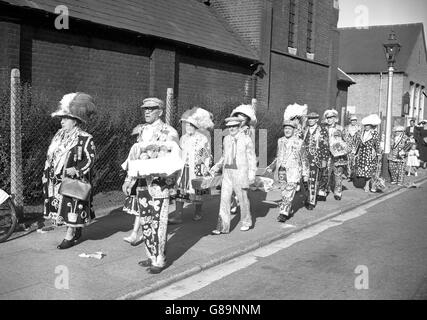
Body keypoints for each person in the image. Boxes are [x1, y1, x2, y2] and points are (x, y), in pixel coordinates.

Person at [121, 97, 179, 274]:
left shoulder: (169, 132)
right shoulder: (142, 131)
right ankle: (151, 255)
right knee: (145, 221)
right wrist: (128, 179)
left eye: (151, 109)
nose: (146, 111)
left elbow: (174, 161)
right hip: (141, 183)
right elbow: (134, 158)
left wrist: (166, 180)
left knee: (159, 222)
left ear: (160, 111)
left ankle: (159, 259)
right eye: (145, 108)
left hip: (159, 184)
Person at [42, 92, 96, 249]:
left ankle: (70, 236)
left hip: (74, 180)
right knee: (61, 208)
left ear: (75, 121)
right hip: (57, 180)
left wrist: (77, 170)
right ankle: (75, 229)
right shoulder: (59, 135)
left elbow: (90, 159)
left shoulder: (85, 138)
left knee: (71, 206)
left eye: (65, 118)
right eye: (61, 118)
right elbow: (52, 155)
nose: (62, 121)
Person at [210, 116, 257, 234]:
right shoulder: (226, 139)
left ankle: (246, 222)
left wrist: (252, 174)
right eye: (229, 126)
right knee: (224, 199)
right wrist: (217, 166)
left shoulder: (246, 139)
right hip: (227, 173)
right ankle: (222, 227)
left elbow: (251, 158)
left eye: (234, 126)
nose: (231, 128)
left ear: (239, 126)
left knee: (243, 198)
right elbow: (225, 155)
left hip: (240, 173)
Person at [168, 107, 214, 224]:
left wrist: (201, 166)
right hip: (184, 169)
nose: (188, 127)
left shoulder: (202, 138)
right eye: (186, 125)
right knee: (180, 190)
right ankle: (178, 216)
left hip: (196, 169)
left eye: (190, 125)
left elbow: (205, 153)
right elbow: (179, 152)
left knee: (197, 190)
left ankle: (198, 211)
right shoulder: (183, 139)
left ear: (196, 126)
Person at [267, 119, 309, 222]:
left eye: (289, 128)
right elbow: (278, 155)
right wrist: (272, 166)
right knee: (284, 191)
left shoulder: (299, 142)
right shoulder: (280, 140)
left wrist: (305, 173)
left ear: (294, 130)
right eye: (285, 128)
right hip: (282, 170)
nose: (287, 130)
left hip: (294, 171)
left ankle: (283, 213)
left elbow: (304, 159)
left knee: (289, 192)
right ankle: (287, 208)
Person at [228, 104, 257, 215]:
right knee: (230, 184)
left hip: (243, 159)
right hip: (231, 159)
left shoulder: (249, 130)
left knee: (240, 185)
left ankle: (242, 207)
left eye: (244, 116)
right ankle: (234, 202)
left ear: (247, 119)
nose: (241, 118)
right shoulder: (232, 128)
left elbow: (250, 147)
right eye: (239, 115)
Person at [302, 112, 329, 210]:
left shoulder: (322, 130)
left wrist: (324, 160)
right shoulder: (305, 130)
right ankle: (307, 196)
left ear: (317, 120)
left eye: (312, 119)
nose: (310, 120)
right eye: (309, 119)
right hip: (304, 159)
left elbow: (326, 146)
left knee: (313, 180)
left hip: (315, 159)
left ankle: (311, 201)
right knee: (304, 180)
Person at [323, 109, 349, 200]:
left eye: (331, 117)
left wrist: (342, 147)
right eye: (328, 118)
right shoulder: (323, 128)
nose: (329, 119)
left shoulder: (340, 128)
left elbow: (346, 141)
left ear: (335, 118)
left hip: (338, 155)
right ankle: (325, 189)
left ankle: (338, 192)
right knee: (325, 172)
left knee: (338, 173)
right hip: (326, 154)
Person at [354, 114, 382, 192]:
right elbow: (357, 143)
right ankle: (367, 184)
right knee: (363, 171)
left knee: (369, 170)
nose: (366, 127)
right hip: (362, 154)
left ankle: (367, 185)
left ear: (371, 126)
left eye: (368, 125)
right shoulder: (361, 133)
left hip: (370, 154)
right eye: (365, 125)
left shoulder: (374, 133)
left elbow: (377, 144)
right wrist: (355, 153)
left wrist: (378, 153)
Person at [343, 115, 362, 181]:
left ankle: (354, 175)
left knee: (355, 161)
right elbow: (344, 137)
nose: (353, 122)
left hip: (356, 147)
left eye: (354, 120)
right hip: (348, 147)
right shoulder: (346, 128)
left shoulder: (359, 128)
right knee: (348, 161)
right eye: (352, 120)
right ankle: (349, 174)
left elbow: (360, 138)